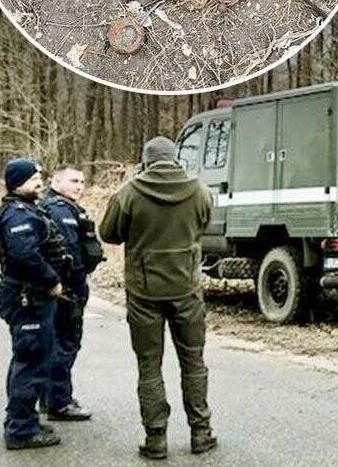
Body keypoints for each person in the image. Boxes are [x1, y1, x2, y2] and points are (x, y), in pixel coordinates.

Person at [99, 136, 216, 459]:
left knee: (149, 365)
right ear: (175, 158)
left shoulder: (129, 193)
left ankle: (156, 439)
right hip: (187, 289)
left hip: (143, 291)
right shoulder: (200, 191)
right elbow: (205, 225)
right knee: (193, 361)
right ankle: (201, 433)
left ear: (146, 160)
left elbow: (108, 233)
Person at [0, 157, 65, 450]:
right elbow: (25, 256)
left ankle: (23, 420)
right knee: (31, 362)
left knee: (29, 358)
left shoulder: (26, 209)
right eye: (34, 178)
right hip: (28, 298)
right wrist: (52, 280)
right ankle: (21, 431)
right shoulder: (17, 215)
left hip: (30, 297)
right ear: (18, 183)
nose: (40, 182)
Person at [39, 165, 105, 421]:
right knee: (65, 343)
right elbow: (68, 255)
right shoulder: (59, 211)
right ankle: (59, 402)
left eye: (82, 181)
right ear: (55, 182)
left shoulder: (60, 207)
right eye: (73, 181)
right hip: (68, 288)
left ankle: (51, 397)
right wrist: (74, 283)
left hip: (65, 287)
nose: (79, 185)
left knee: (59, 342)